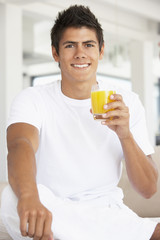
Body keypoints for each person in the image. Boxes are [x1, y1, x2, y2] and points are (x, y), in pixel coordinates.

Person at [1, 4, 160, 240]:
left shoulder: (127, 101)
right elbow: (20, 144)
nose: (80, 54)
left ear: (101, 51)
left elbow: (148, 190)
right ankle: (135, 233)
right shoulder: (33, 98)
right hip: (48, 206)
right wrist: (29, 197)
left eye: (88, 45)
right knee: (10, 198)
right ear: (55, 53)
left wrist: (125, 135)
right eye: (69, 45)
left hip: (105, 210)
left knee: (37, 215)